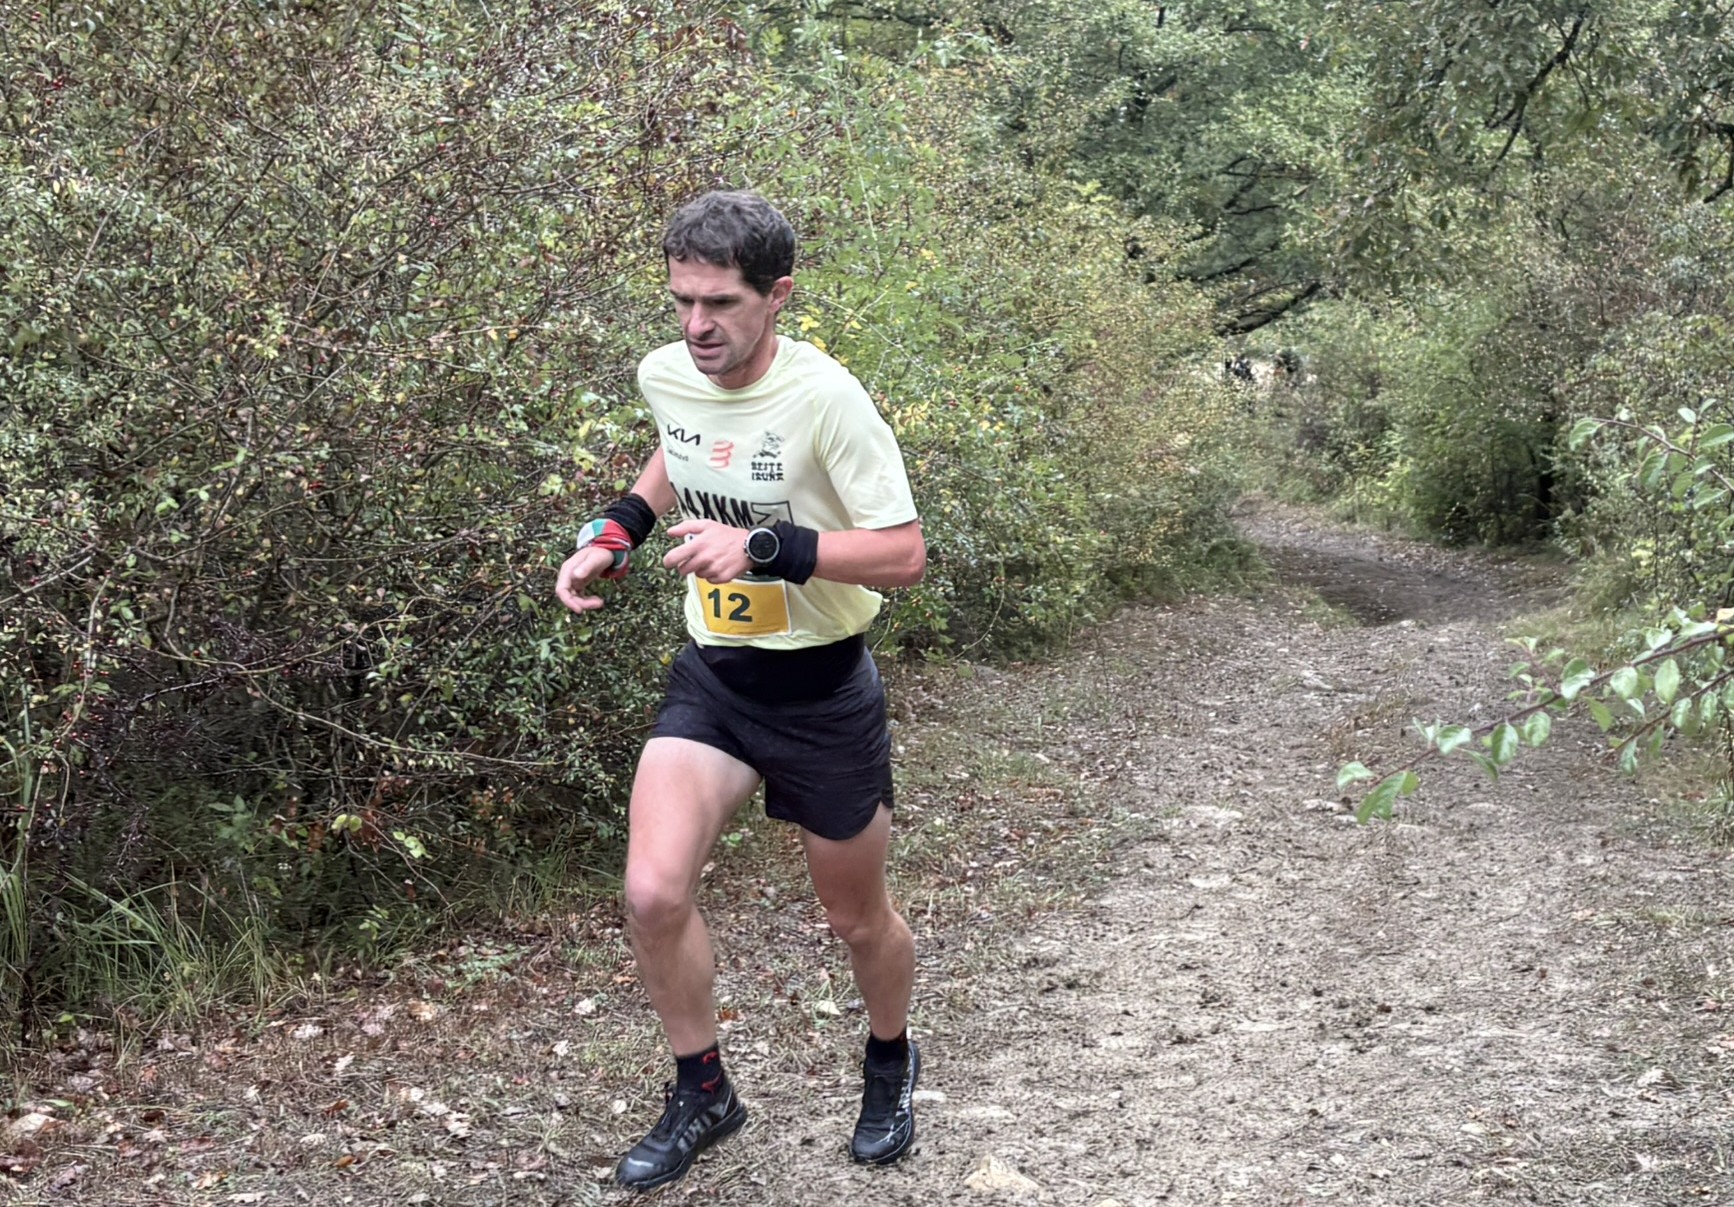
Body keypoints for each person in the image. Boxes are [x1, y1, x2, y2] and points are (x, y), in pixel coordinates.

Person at [554, 190, 927, 1192]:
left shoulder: (828, 399)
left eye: (719, 302)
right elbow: (679, 450)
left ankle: (889, 1058)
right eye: (682, 300)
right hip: (717, 675)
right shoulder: (666, 371)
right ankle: (704, 1090)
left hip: (823, 687)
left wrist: (764, 546)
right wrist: (618, 530)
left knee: (856, 919)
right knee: (652, 890)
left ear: (778, 295)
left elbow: (903, 554)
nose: (696, 325)